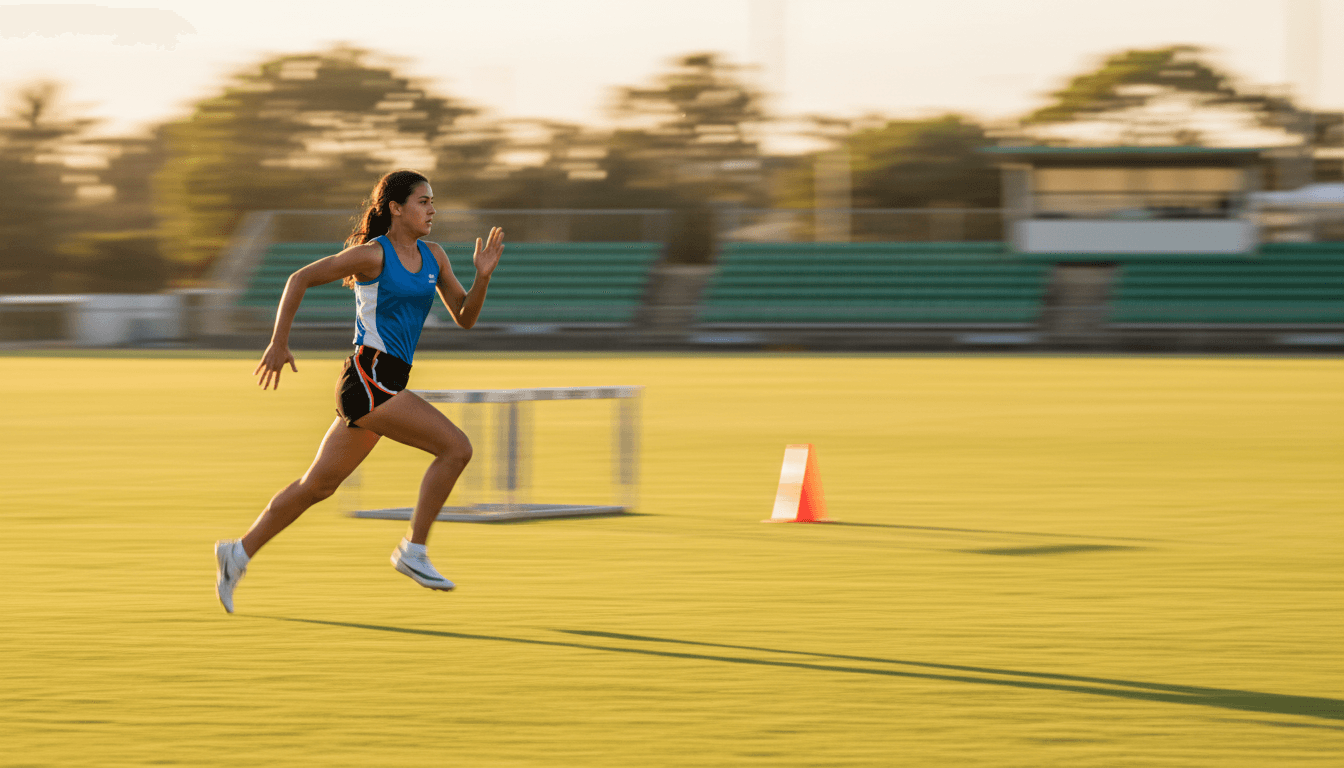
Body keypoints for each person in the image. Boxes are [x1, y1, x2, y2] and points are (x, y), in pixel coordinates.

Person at [213, 169, 503, 613]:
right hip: (369, 380)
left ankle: (238, 552)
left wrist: (482, 277)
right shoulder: (372, 255)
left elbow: (465, 316)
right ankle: (413, 551)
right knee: (456, 448)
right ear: (396, 208)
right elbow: (298, 279)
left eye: (432, 202)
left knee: (318, 485)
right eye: (423, 201)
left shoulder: (436, 256)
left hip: (387, 382)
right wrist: (278, 341)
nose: (432, 209)